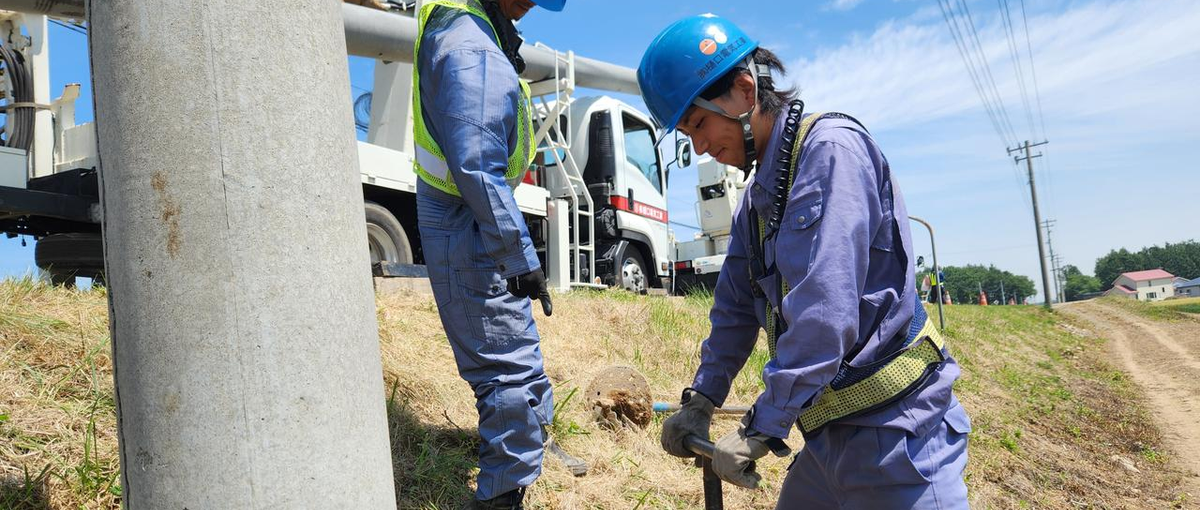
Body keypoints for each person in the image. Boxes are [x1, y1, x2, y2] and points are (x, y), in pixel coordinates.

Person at [638, 14, 971, 509]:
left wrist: (758, 429)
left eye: (700, 124)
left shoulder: (831, 153)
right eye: (688, 134)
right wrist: (701, 401)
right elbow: (732, 310)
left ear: (745, 91)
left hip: (901, 438)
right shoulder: (756, 201)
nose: (701, 145)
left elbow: (824, 313)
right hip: (828, 441)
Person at [412, 0, 564, 508]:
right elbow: (476, 164)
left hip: (472, 213)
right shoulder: (471, 48)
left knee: (517, 349)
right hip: (468, 218)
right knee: (506, 369)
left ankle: (531, 450)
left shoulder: (472, 24)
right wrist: (518, 257)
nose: (529, 8)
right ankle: (502, 492)